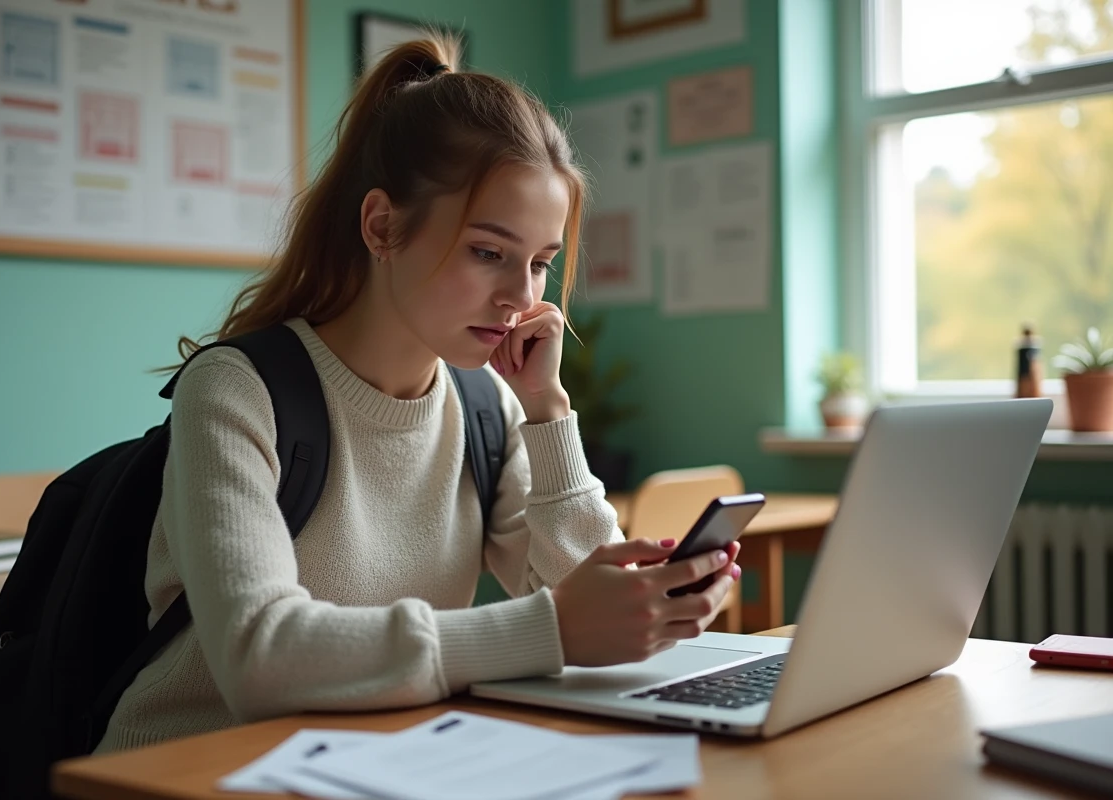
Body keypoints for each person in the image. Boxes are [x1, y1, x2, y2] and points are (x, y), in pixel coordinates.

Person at [95, 33, 741, 753]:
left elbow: (579, 587)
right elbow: (259, 657)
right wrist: (553, 628)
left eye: (540, 264)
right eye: (488, 253)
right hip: (186, 770)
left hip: (373, 761)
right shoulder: (236, 391)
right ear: (382, 226)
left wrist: (549, 412)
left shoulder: (486, 405)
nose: (520, 298)